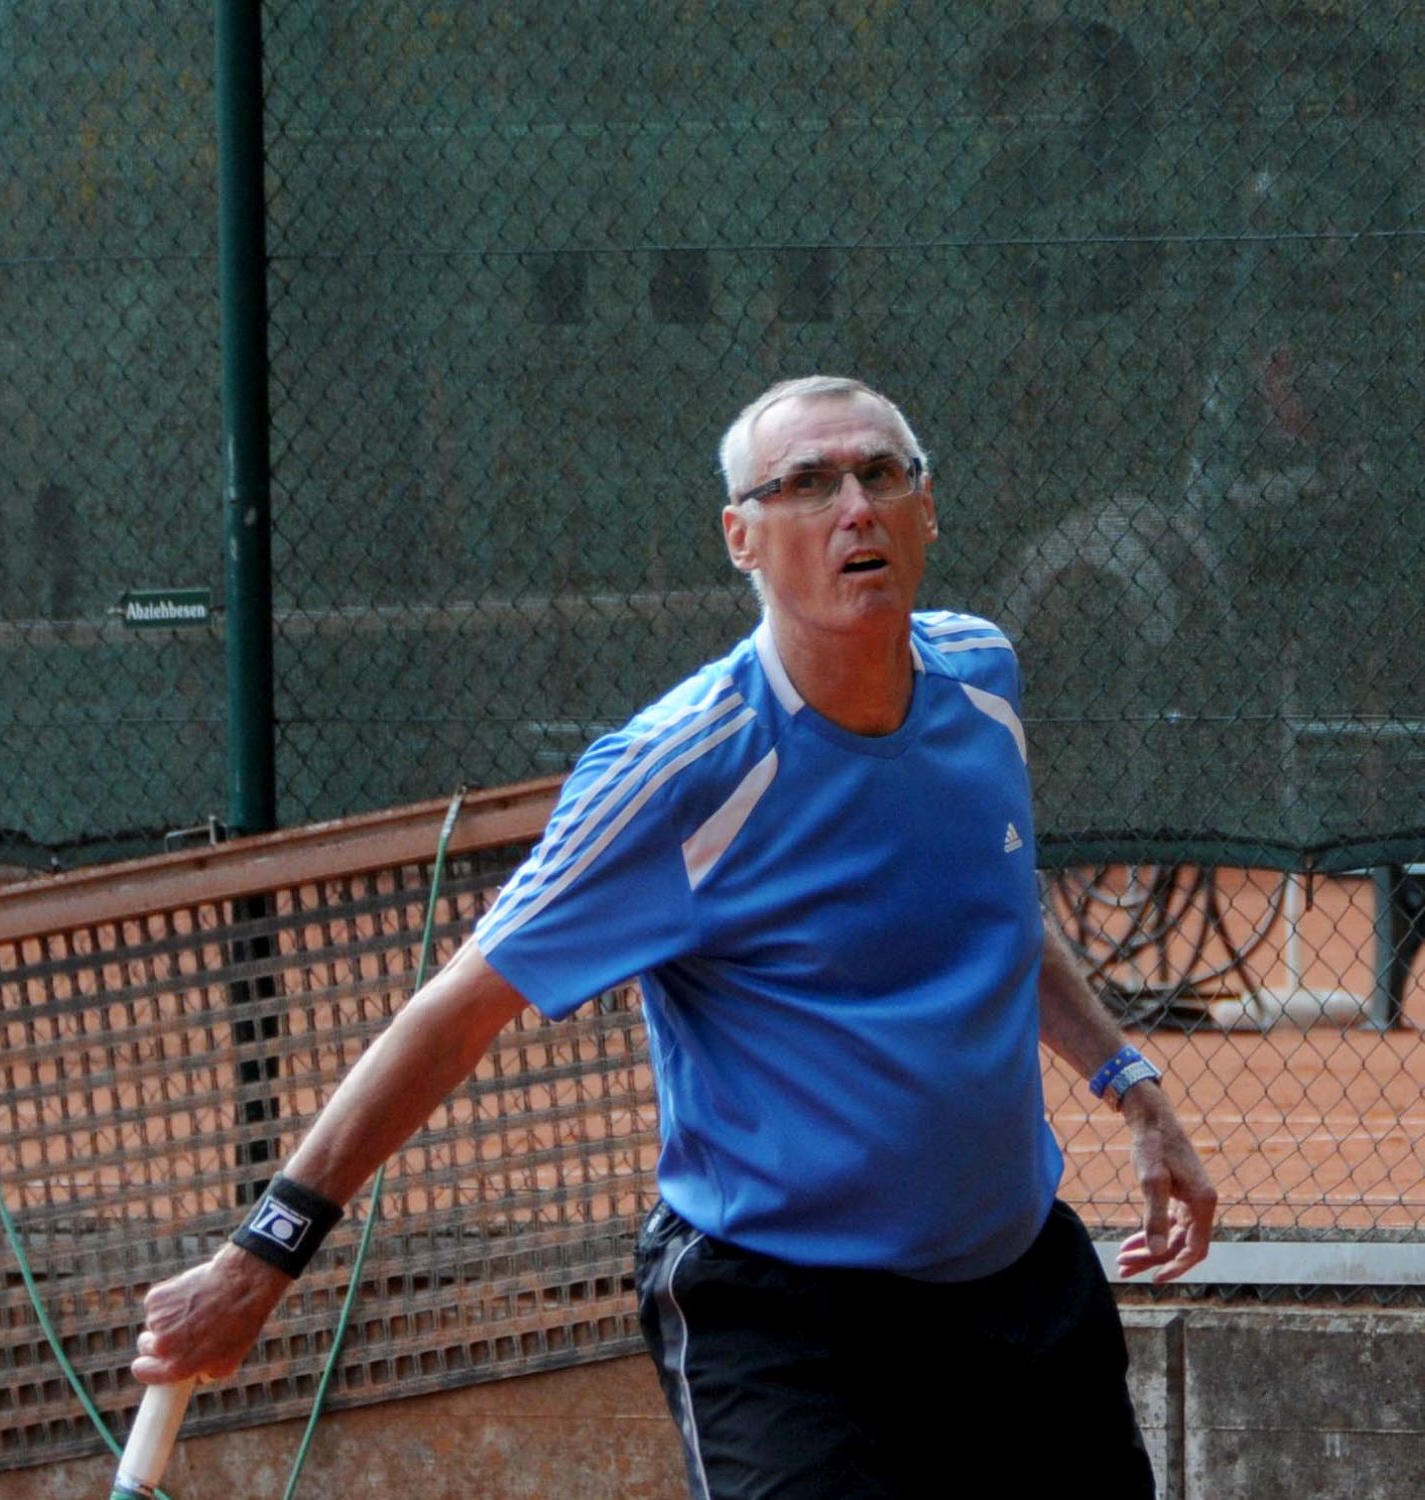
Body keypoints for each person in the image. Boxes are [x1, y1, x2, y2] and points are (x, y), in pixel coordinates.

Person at [129, 376, 1220, 1497]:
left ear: (926, 508)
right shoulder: (677, 771)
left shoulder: (982, 678)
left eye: (880, 474)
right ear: (740, 537)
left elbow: (994, 908)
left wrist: (1131, 1087)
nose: (855, 507)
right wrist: (262, 1257)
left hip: (1019, 1286)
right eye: (806, 484)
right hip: (786, 1322)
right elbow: (453, 1015)